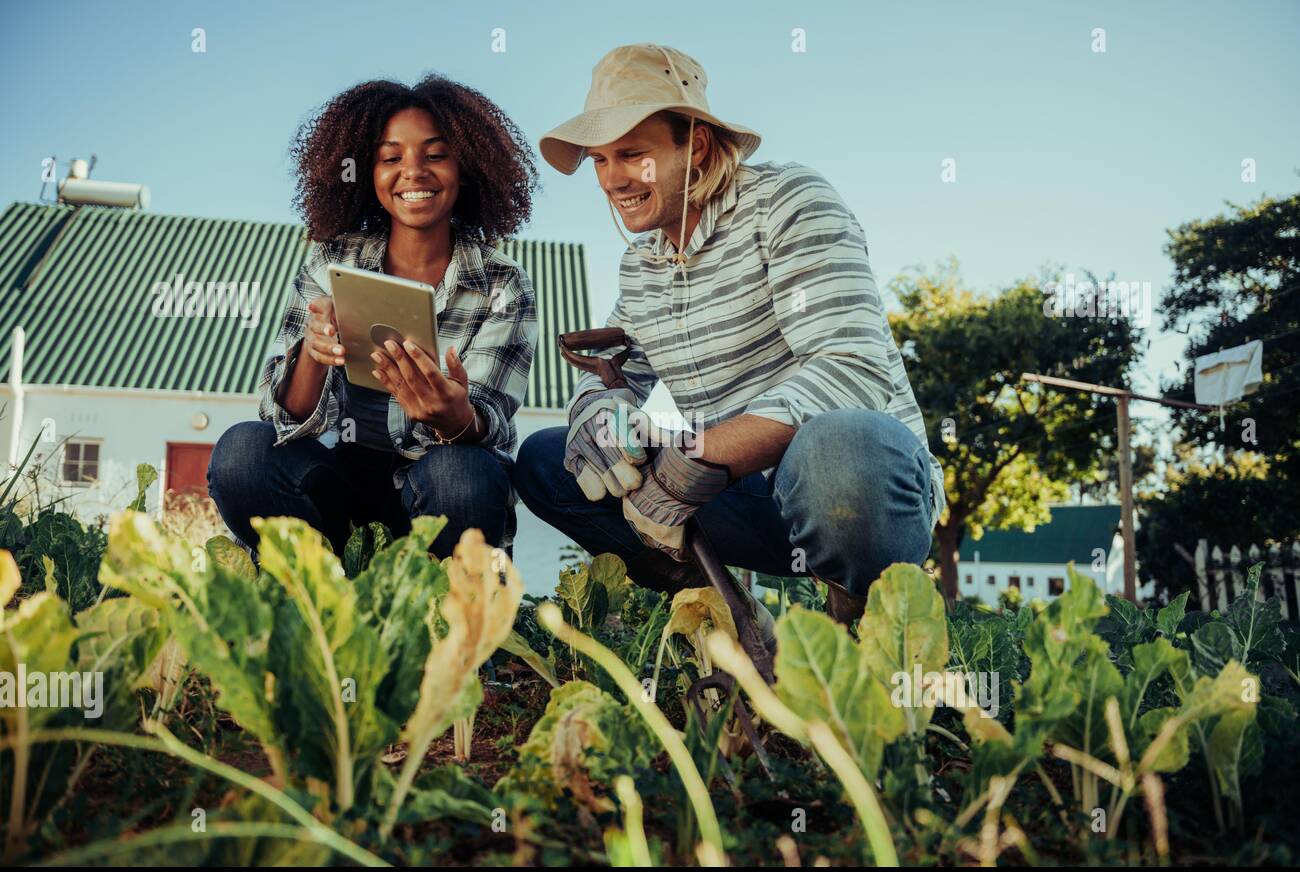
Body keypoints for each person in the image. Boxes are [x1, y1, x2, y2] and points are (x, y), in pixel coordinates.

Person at [515, 44, 945, 626]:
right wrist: (603, 416)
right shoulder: (641, 266)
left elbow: (851, 369)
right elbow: (622, 374)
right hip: (744, 502)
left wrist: (699, 457)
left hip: (856, 495)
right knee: (547, 457)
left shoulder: (789, 203)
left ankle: (861, 623)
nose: (613, 180)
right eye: (599, 160)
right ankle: (728, 617)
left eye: (633, 155)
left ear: (693, 143)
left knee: (841, 447)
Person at [208, 75, 538, 561]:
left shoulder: (502, 282)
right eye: (391, 158)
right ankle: (309, 589)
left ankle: (449, 611)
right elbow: (282, 416)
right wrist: (315, 355)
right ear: (368, 173)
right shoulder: (332, 260)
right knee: (242, 451)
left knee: (463, 473)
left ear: (466, 167)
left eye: (435, 154)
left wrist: (454, 415)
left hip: (434, 496)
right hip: (333, 488)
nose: (413, 172)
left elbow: (487, 425)